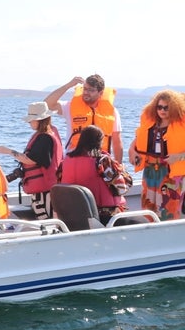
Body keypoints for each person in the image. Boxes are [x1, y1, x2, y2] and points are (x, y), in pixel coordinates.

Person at [0, 101, 63, 219]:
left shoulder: (44, 138)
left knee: (46, 221)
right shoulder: (53, 131)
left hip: (44, 190)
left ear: (39, 120)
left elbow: (30, 160)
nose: (29, 123)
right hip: (52, 186)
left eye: (31, 120)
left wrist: (8, 151)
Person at [128, 90, 185, 220]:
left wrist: (178, 157)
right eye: (159, 107)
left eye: (166, 107)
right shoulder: (150, 124)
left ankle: (168, 236)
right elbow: (135, 143)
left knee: (168, 209)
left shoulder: (182, 126)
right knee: (148, 208)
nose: (162, 110)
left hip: (170, 172)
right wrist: (132, 152)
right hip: (149, 170)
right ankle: (150, 234)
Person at [43, 74, 123, 162]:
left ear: (100, 93)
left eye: (91, 90)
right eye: (85, 89)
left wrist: (119, 166)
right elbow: (46, 105)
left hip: (101, 163)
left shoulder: (112, 112)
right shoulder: (70, 107)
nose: (86, 92)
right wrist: (68, 86)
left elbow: (117, 142)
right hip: (74, 161)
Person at [59, 125, 124, 225]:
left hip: (73, 214)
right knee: (141, 222)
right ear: (98, 142)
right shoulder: (102, 161)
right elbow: (122, 188)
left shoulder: (66, 161)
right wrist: (121, 171)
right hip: (102, 216)